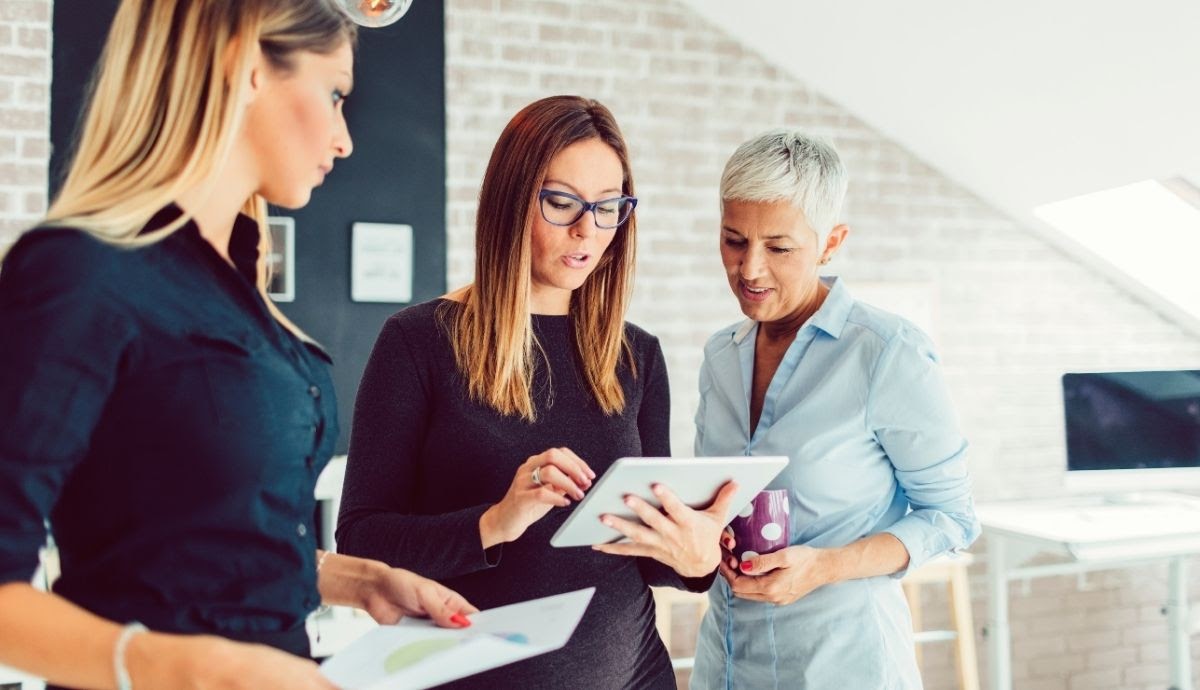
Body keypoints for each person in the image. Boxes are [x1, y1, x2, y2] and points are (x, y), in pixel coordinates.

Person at [0, 2, 475, 689]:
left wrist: (361, 579)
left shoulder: (239, 288)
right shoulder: (79, 273)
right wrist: (189, 669)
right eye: (335, 93)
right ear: (247, 61)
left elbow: (195, 542)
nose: (345, 139)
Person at [336, 95, 737, 689]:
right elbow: (361, 541)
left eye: (608, 208)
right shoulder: (418, 343)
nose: (587, 231)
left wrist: (697, 559)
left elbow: (644, 555)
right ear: (510, 199)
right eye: (560, 202)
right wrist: (494, 522)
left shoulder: (637, 354)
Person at [686, 130, 981, 689]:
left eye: (778, 247)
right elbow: (716, 500)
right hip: (725, 665)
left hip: (844, 667)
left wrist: (825, 566)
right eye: (733, 240)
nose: (749, 269)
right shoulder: (720, 356)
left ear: (830, 242)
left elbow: (952, 518)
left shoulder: (887, 352)